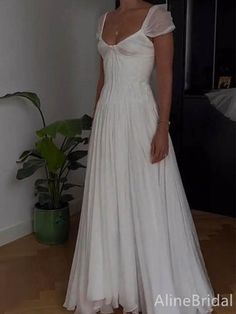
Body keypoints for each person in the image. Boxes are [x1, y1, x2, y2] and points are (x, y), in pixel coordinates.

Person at [63, 1, 215, 313]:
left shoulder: (156, 16)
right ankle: (109, 283)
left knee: (145, 196)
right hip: (108, 117)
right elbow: (102, 81)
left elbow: (165, 78)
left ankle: (155, 284)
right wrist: (96, 123)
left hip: (140, 117)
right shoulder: (105, 18)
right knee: (108, 197)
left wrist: (162, 127)